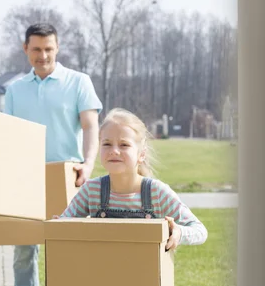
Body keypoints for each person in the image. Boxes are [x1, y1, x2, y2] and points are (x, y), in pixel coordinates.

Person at [5, 23, 102, 286]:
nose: (43, 55)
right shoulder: (15, 90)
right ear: (26, 50)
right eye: (36, 49)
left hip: (68, 177)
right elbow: (8, 136)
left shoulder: (79, 82)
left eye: (49, 49)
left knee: (66, 249)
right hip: (27, 178)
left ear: (57, 48)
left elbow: (90, 127)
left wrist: (88, 164)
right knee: (23, 252)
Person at [59, 107, 208, 250]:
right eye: (107, 144)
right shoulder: (91, 190)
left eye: (124, 145)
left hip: (145, 275)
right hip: (101, 273)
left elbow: (200, 231)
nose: (114, 151)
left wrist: (178, 232)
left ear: (141, 154)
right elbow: (63, 225)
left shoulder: (157, 192)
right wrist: (59, 225)